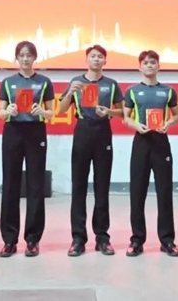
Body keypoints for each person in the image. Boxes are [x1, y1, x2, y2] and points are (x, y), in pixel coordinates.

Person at [59, 45, 124, 257]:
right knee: (78, 186)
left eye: (100, 57)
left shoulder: (111, 84)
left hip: (103, 131)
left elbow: (123, 112)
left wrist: (109, 111)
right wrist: (70, 92)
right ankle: (78, 238)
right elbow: (61, 109)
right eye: (93, 56)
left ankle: (102, 237)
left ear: (105, 61)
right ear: (86, 60)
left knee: (102, 187)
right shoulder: (76, 82)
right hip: (83, 131)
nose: (96, 59)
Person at [0, 41, 55, 258]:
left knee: (35, 185)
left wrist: (42, 111)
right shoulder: (8, 82)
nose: (25, 59)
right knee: (10, 184)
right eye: (21, 55)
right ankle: (9, 240)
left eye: (29, 55)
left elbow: (51, 113)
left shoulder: (44, 82)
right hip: (13, 131)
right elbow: (0, 113)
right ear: (16, 58)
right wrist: (8, 111)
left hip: (35, 133)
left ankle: (32, 239)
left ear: (34, 58)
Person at [122, 50, 178, 257]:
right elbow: (126, 118)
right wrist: (136, 125)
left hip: (161, 142)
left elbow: (176, 116)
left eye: (153, 62)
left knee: (164, 192)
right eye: (145, 62)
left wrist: (168, 124)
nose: (149, 65)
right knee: (137, 192)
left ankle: (167, 240)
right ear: (140, 67)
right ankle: (137, 240)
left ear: (158, 66)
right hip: (141, 142)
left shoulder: (168, 91)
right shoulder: (132, 91)